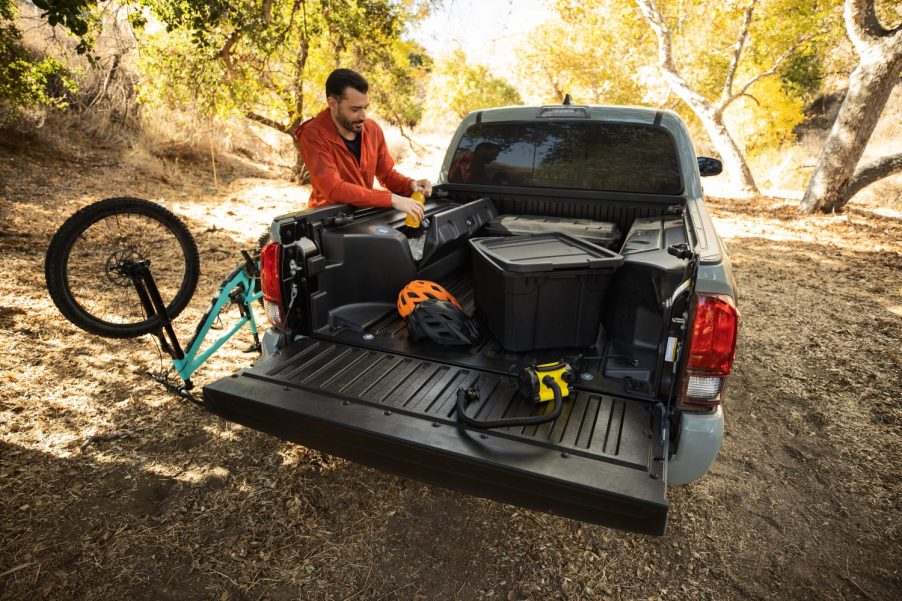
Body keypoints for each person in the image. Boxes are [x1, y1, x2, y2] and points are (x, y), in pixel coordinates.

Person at [296, 68, 430, 223]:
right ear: (332, 104)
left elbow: (386, 174)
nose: (363, 116)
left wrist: (409, 184)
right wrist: (391, 199)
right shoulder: (313, 135)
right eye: (355, 109)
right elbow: (333, 189)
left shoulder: (372, 129)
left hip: (362, 216)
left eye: (365, 108)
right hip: (327, 223)